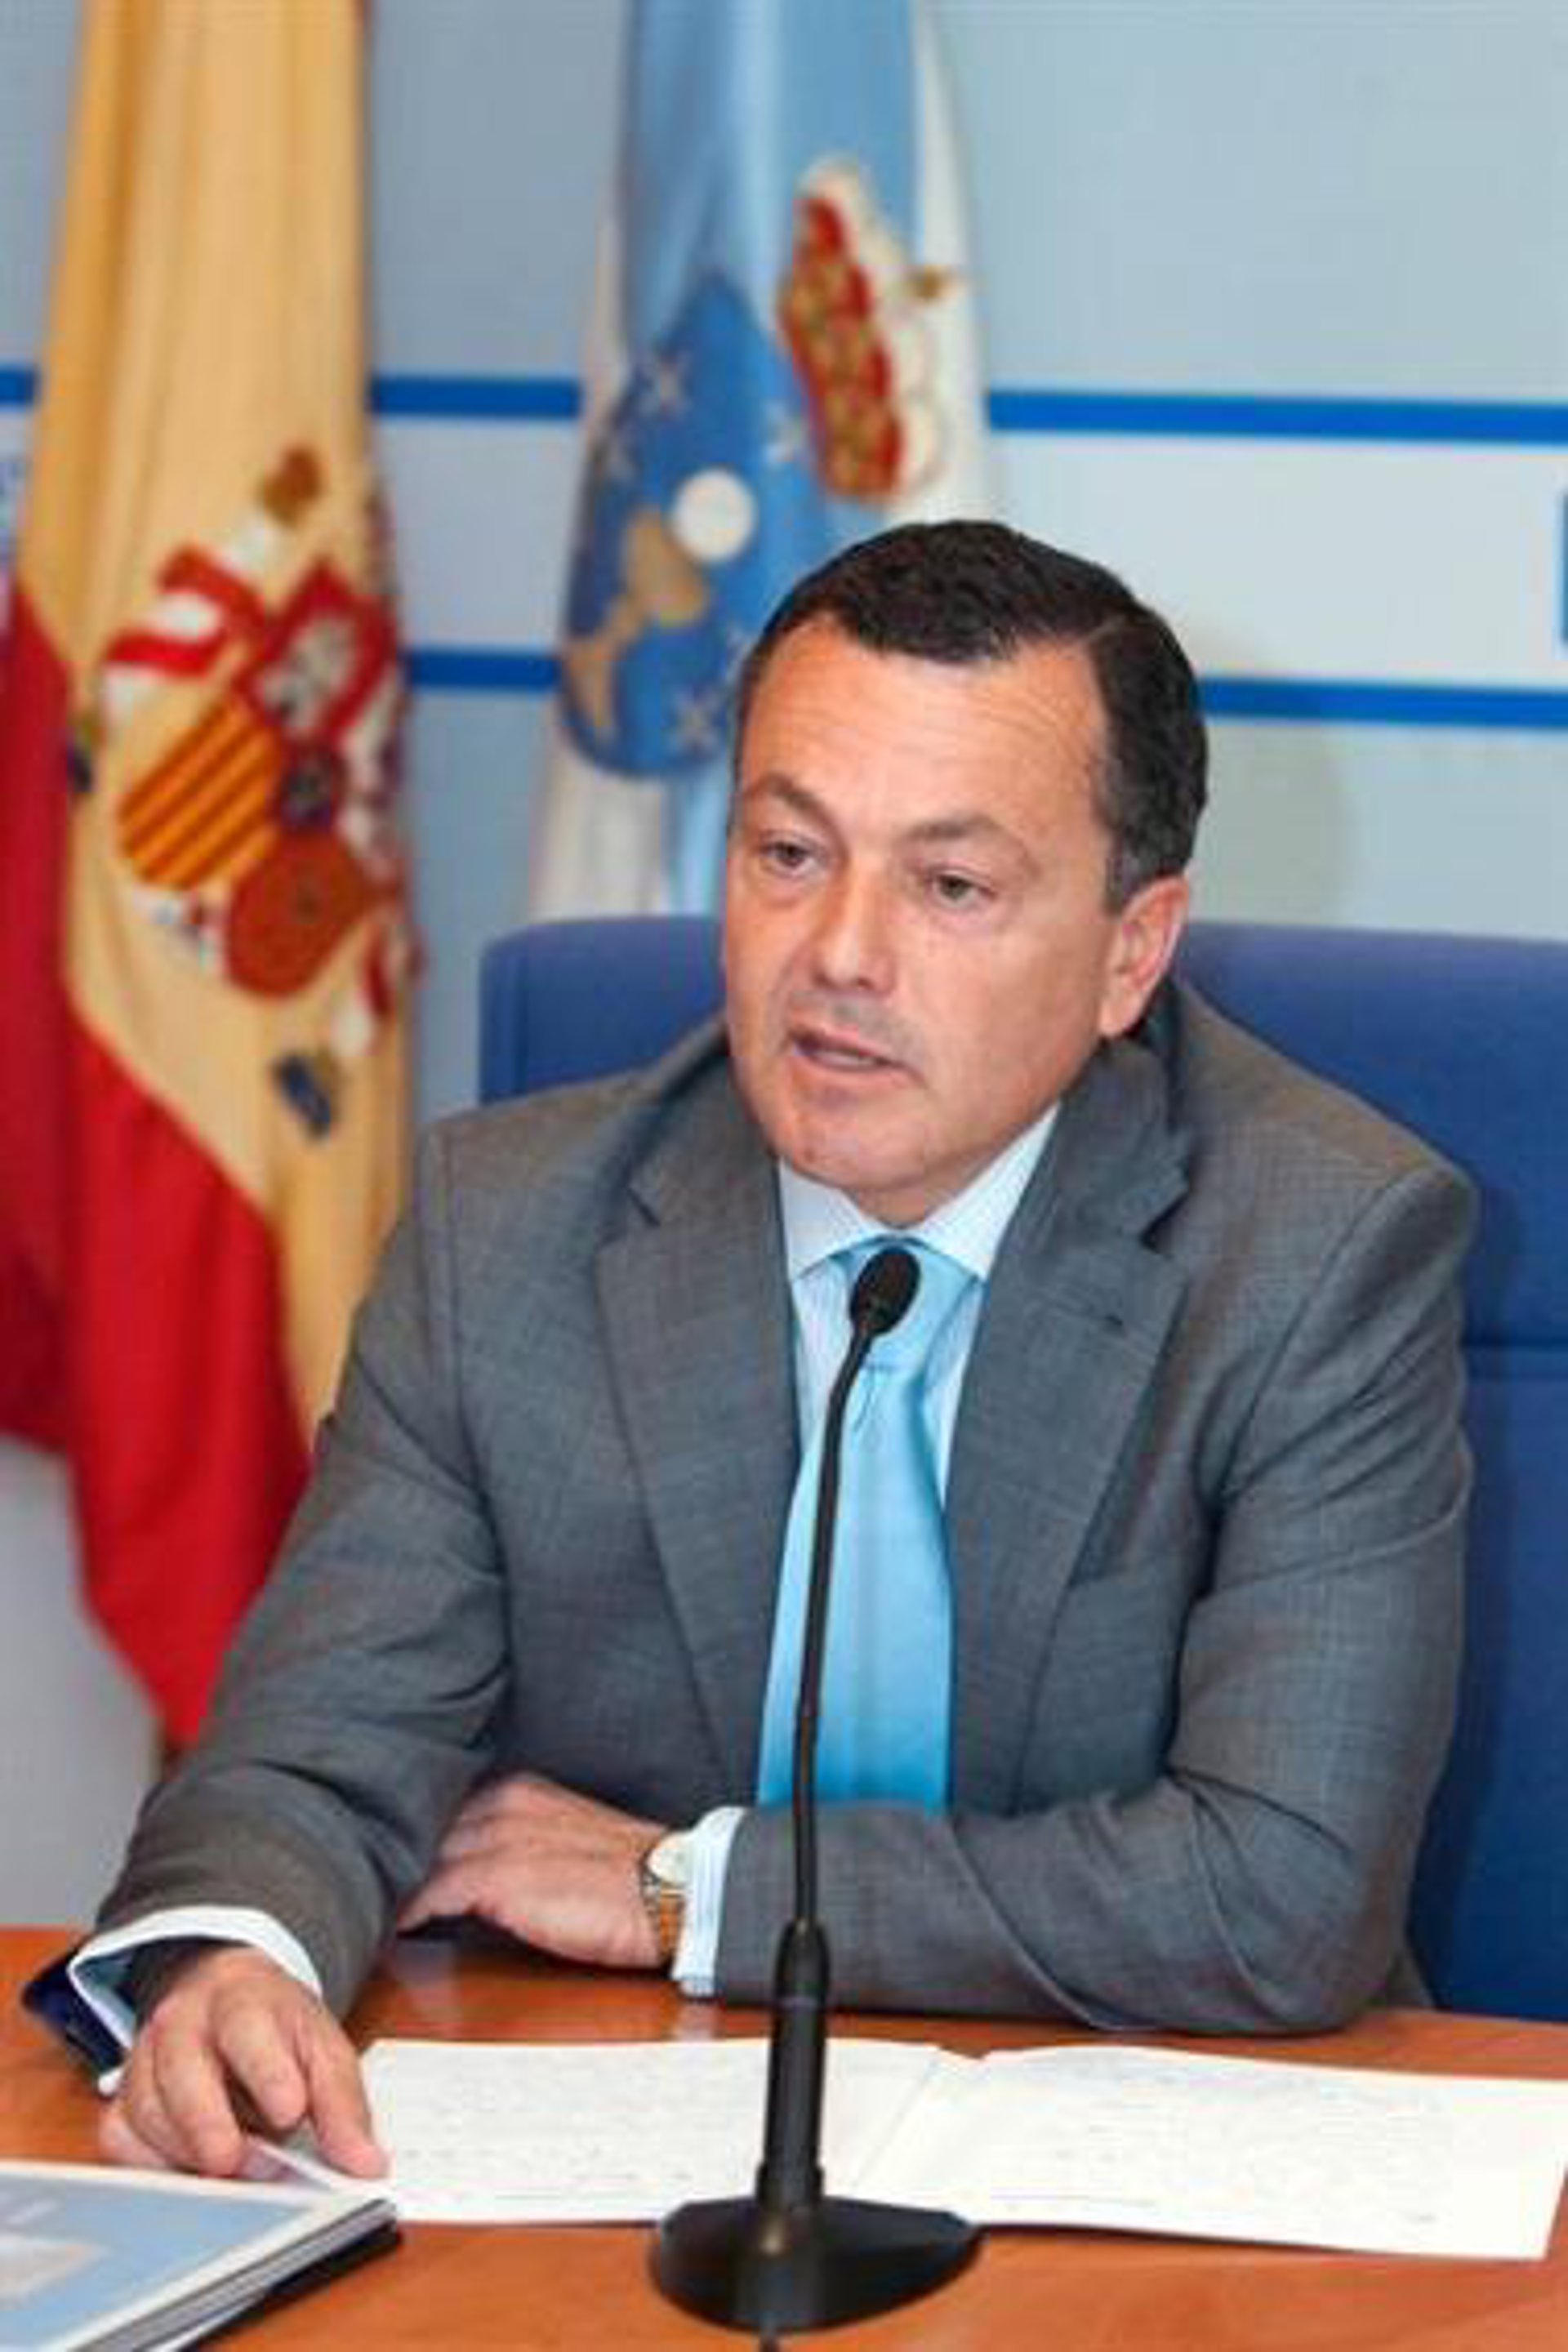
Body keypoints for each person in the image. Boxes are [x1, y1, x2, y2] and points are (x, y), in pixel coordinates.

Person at [63, 522, 1472, 2180]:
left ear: (1130, 953)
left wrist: (695, 1889)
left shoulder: (1318, 1250)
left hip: (1164, 2154)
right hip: (626, 2146)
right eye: (789, 853)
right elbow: (311, 1755)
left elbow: (1279, 1896)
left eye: (950, 886)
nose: (842, 955)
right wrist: (237, 1961)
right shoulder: (504, 1229)